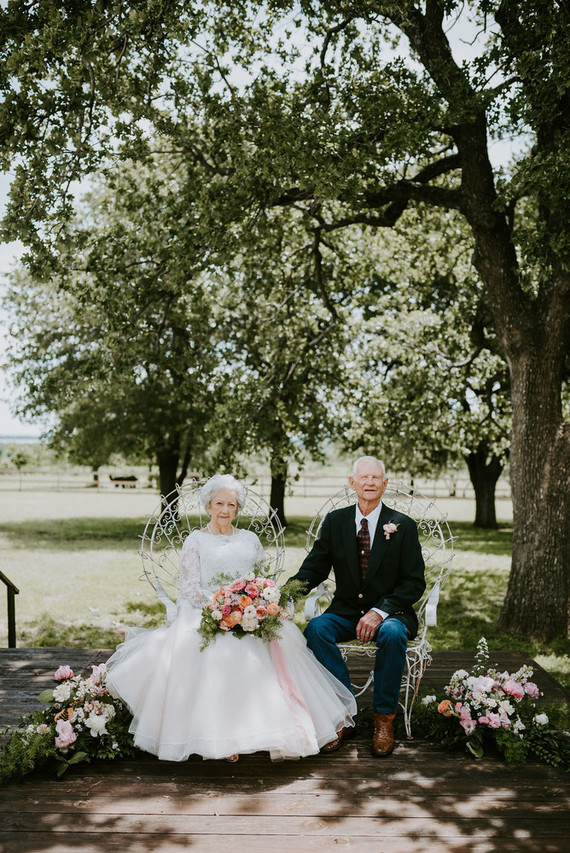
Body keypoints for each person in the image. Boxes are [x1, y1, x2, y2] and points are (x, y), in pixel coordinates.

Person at [105, 474, 356, 763]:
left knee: (277, 644)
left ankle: (268, 730)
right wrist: (222, 608)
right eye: (219, 503)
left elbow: (262, 580)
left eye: (232, 504)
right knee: (217, 651)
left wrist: (258, 604)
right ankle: (223, 739)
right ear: (208, 505)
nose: (225, 510)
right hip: (206, 611)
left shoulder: (249, 539)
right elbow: (189, 589)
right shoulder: (195, 540)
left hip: (250, 612)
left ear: (238, 508)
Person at [289, 456, 426, 757]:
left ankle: (383, 720)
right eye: (363, 478)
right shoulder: (336, 521)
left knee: (391, 634)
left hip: (392, 612)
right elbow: (314, 569)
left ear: (384, 484)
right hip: (346, 610)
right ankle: (343, 712)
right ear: (352, 483)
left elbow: (414, 583)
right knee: (316, 628)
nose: (369, 483)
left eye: (376, 478)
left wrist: (380, 611)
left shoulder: (403, 525)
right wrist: (284, 594)